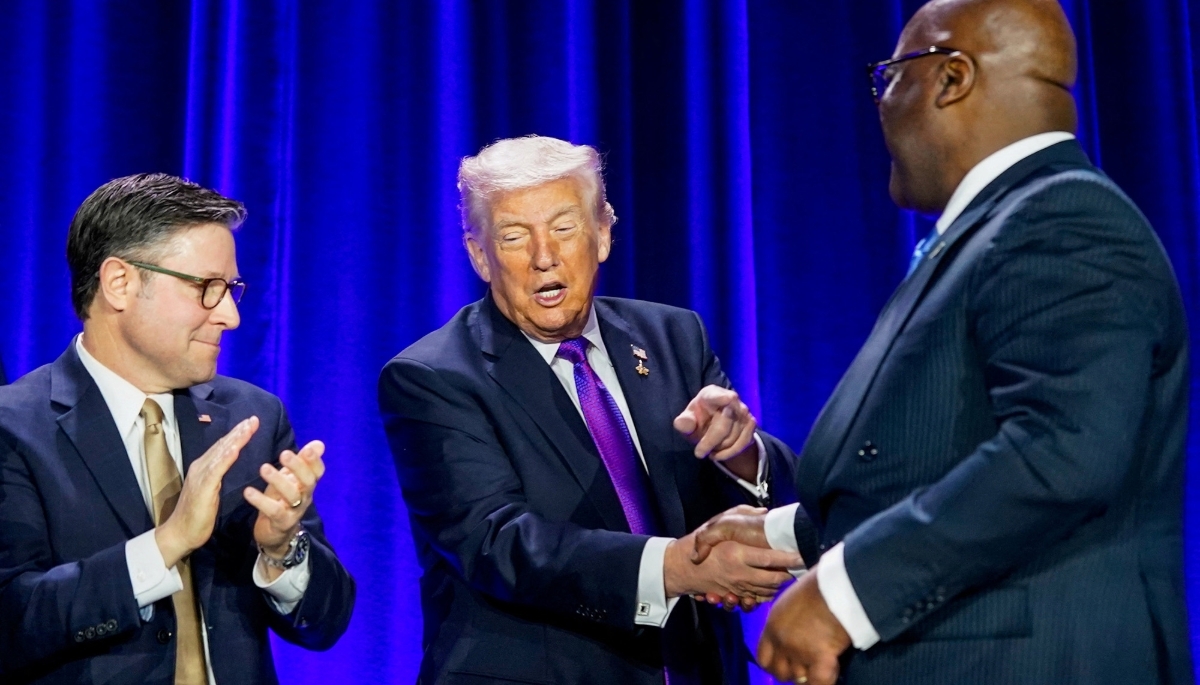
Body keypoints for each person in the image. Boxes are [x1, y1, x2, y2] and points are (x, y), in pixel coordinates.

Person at [692, 1, 1193, 683]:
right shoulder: (1001, 225)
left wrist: (845, 593)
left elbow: (1062, 452)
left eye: (891, 77)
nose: (880, 104)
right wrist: (787, 534)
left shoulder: (1062, 219)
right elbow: (935, 459)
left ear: (952, 78)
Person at [378, 135, 804, 684]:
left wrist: (741, 455)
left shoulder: (673, 336)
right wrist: (679, 567)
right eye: (514, 236)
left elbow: (777, 498)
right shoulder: (432, 377)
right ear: (480, 255)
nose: (544, 257)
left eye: (564, 227)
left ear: (602, 233)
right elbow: (497, 543)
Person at [0, 174, 356, 684]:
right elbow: (12, 621)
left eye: (231, 290)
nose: (230, 316)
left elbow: (325, 625)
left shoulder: (252, 418)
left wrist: (282, 549)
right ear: (119, 283)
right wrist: (167, 543)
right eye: (206, 288)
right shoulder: (14, 427)